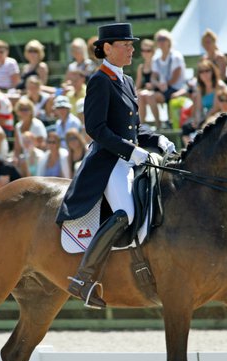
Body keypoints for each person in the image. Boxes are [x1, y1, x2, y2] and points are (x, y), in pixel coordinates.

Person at [56, 23, 175, 309]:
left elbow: (131, 126)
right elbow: (96, 128)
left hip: (127, 159)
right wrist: (131, 151)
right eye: (126, 44)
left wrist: (156, 138)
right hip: (108, 162)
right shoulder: (99, 80)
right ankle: (83, 278)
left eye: (132, 44)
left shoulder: (127, 81)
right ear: (108, 48)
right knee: (126, 212)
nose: (132, 48)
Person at [148, 29, 187, 130]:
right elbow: (153, 77)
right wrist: (158, 84)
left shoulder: (176, 56)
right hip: (164, 88)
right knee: (143, 96)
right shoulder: (156, 58)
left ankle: (161, 125)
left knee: (151, 96)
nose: (161, 41)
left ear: (169, 41)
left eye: (163, 39)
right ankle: (154, 125)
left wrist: (163, 85)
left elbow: (175, 78)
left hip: (176, 88)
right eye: (159, 39)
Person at [136, 38, 156, 125]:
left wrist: (153, 85)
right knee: (140, 94)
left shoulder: (157, 64)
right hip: (145, 92)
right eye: (143, 50)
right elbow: (138, 84)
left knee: (146, 95)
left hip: (156, 91)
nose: (145, 53)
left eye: (148, 50)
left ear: (153, 51)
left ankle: (158, 123)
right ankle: (142, 123)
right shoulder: (141, 67)